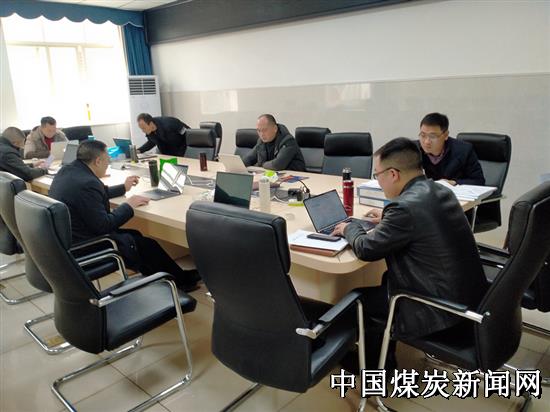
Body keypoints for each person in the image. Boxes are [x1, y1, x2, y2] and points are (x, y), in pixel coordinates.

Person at [332, 137, 487, 371]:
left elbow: (366, 249)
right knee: (384, 283)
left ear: (393, 174)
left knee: (357, 300)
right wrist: (388, 219)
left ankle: (376, 368)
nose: (378, 180)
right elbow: (421, 219)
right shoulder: (437, 189)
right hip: (467, 300)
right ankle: (384, 355)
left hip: (439, 311)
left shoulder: (403, 208)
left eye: (377, 174)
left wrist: (348, 228)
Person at [49, 140, 200, 292]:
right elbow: (104, 225)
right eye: (107, 160)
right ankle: (180, 282)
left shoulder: (69, 171)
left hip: (69, 242)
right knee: (146, 244)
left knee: (137, 237)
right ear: (97, 161)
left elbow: (95, 195)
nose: (108, 163)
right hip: (88, 246)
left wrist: (123, 188)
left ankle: (162, 279)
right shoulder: (87, 183)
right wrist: (129, 205)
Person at [417, 112, 485, 186]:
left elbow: (478, 181)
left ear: (446, 135)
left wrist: (454, 182)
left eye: (432, 136)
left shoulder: (463, 150)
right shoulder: (412, 150)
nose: (426, 142)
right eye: (423, 135)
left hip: (453, 192)